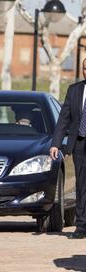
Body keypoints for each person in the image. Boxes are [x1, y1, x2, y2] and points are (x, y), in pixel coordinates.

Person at [50, 57, 86, 239]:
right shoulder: (74, 90)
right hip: (79, 143)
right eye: (85, 68)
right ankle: (81, 227)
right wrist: (56, 143)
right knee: (81, 185)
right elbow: (64, 118)